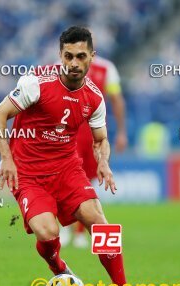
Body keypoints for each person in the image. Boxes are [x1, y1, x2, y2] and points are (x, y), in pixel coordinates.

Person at [0, 26, 137, 286]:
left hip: (67, 169)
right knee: (46, 231)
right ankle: (59, 267)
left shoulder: (94, 97)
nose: (73, 63)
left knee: (98, 219)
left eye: (80, 56)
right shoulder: (36, 84)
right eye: (68, 56)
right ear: (60, 55)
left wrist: (103, 161)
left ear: (92, 57)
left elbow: (101, 139)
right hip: (28, 173)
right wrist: (6, 158)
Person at [61, 52, 128, 248]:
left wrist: (121, 132)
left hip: (94, 132)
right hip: (68, 130)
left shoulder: (106, 68)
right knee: (64, 178)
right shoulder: (60, 65)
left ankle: (80, 232)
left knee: (88, 180)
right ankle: (66, 227)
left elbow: (116, 99)